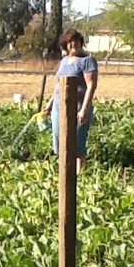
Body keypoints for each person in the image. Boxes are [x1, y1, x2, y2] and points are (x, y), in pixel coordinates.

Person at [44, 29, 98, 174]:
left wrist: (84, 110)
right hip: (59, 107)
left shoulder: (87, 61)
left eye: (76, 41)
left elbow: (91, 86)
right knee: (59, 139)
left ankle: (80, 174)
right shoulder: (64, 61)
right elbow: (59, 84)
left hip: (78, 107)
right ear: (65, 45)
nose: (73, 44)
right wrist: (49, 105)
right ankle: (64, 170)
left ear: (81, 43)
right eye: (69, 42)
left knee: (77, 142)